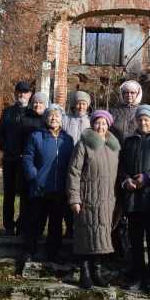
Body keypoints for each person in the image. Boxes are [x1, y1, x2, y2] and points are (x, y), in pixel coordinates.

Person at [118, 104, 150, 292]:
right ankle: (137, 273)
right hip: (133, 197)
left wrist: (148, 177)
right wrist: (126, 181)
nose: (143, 122)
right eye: (140, 119)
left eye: (146, 119)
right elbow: (121, 164)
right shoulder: (129, 141)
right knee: (135, 237)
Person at [67, 110, 120, 290]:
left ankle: (97, 272)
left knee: (102, 237)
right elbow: (74, 172)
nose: (100, 126)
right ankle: (85, 273)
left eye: (104, 123)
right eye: (97, 123)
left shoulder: (114, 147)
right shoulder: (83, 144)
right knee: (85, 235)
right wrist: (74, 198)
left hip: (107, 200)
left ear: (108, 125)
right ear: (92, 124)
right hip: (87, 198)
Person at [20, 104, 74, 268]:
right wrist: (33, 176)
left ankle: (53, 253)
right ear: (46, 118)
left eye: (57, 116)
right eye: (51, 115)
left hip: (59, 189)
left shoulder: (68, 139)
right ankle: (29, 251)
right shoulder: (36, 136)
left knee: (56, 224)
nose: (54, 118)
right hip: (40, 187)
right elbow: (28, 157)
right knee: (36, 222)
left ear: (61, 119)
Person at [0, 81, 33, 235]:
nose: (21, 95)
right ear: (15, 93)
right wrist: (8, 148)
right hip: (10, 159)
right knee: (9, 194)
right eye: (19, 92)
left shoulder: (32, 113)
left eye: (24, 92)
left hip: (26, 160)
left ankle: (22, 224)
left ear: (30, 94)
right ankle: (8, 225)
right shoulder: (8, 112)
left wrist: (28, 153)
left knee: (25, 194)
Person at [62, 90, 92, 238]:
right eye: (78, 103)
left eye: (83, 103)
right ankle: (69, 227)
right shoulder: (66, 120)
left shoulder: (91, 121)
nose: (80, 106)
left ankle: (81, 228)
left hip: (85, 165)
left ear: (87, 105)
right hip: (67, 162)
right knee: (69, 197)